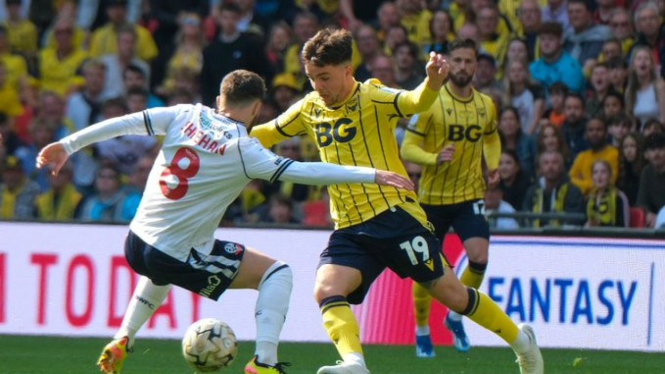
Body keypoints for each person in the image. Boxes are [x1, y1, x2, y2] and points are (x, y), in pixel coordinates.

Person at [36, 69, 414, 374]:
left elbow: (123, 122)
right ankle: (264, 363)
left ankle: (124, 337)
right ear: (256, 111)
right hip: (173, 253)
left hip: (136, 243)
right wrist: (371, 174)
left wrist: (67, 146)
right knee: (277, 273)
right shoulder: (244, 149)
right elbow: (306, 171)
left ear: (220, 98)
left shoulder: (184, 113)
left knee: (166, 262)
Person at [250, 30, 543, 374]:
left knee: (454, 296)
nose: (318, 86)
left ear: (348, 70)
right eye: (313, 78)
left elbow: (414, 102)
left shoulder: (373, 95)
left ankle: (523, 344)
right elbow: (264, 133)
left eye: (325, 77)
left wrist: (433, 82)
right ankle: (354, 363)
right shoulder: (309, 108)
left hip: (395, 215)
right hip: (349, 226)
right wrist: (221, 133)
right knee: (326, 289)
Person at [400, 38, 501, 357]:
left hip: (469, 194)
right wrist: (433, 158)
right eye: (456, 60)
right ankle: (421, 329)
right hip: (432, 198)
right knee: (427, 269)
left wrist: (494, 165)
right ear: (447, 64)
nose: (462, 67)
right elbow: (407, 148)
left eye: (468, 61)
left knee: (480, 257)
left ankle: (455, 314)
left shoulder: (486, 104)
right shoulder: (431, 102)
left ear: (476, 66)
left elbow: (492, 137)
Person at [585, 160, 630, 227]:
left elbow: (624, 226)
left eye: (603, 172)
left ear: (610, 175)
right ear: (592, 177)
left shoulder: (619, 197)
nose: (599, 176)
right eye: (595, 172)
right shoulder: (590, 198)